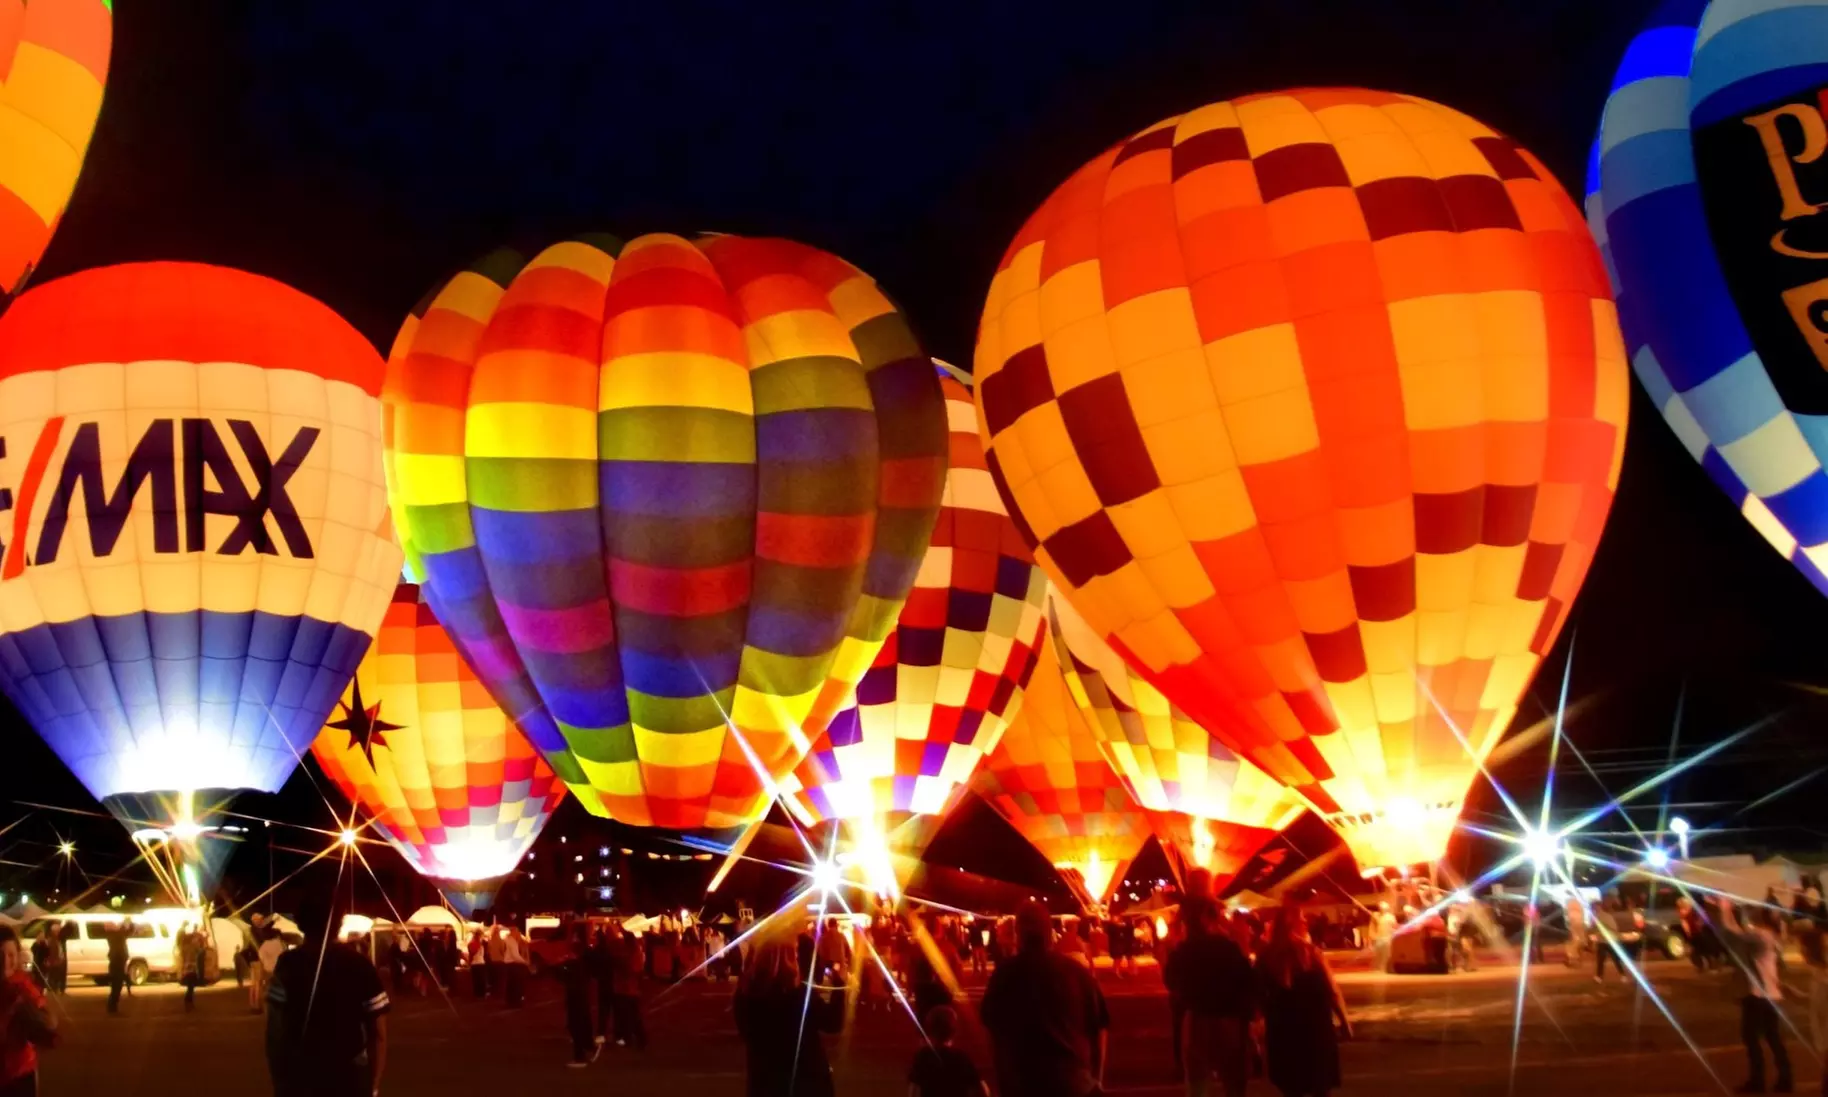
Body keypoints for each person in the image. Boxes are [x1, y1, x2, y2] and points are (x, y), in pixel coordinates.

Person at [266, 890, 390, 1097]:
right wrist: (373, 1085)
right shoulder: (360, 965)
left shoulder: (288, 964)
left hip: (299, 1077)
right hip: (347, 1078)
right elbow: (378, 1034)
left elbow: (274, 1029)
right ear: (338, 923)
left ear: (299, 922)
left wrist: (279, 1078)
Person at [981, 900, 1110, 1097]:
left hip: (1024, 1084)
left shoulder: (1004, 976)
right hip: (1073, 1084)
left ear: (1019, 934)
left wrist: (1004, 1079)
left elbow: (992, 1033)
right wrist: (1096, 1080)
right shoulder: (1077, 973)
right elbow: (1099, 1028)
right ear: (1050, 933)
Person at [1256, 906, 1350, 1097]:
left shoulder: (1266, 957)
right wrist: (1345, 1021)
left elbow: (1257, 994)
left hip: (1283, 1030)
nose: (1306, 922)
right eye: (1302, 918)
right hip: (1315, 1028)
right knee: (1320, 1086)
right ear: (1293, 924)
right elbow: (1331, 989)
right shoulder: (1311, 953)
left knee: (1292, 1087)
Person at [735, 930, 843, 1097]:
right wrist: (839, 987)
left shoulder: (745, 996)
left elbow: (745, 1032)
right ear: (788, 957)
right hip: (804, 1082)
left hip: (764, 1083)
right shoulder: (799, 996)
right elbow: (833, 1022)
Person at [1167, 898, 1254, 1097]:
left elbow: (1171, 982)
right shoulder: (1229, 947)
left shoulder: (1183, 950)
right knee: (1233, 1082)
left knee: (1198, 1083)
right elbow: (1248, 980)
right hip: (1229, 1020)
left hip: (1198, 1019)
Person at [1716, 900, 1792, 1093]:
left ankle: (1758, 1081)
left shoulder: (1761, 936)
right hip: (1771, 995)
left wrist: (1725, 908)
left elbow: (1733, 932)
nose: (1750, 914)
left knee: (1751, 1039)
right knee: (1773, 1038)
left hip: (1759, 995)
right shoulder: (1770, 935)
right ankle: (1785, 1079)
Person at [0, 926, 57, 1097]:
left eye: (11, 954)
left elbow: (48, 1022)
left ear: (17, 957)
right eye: (0, 954)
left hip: (21, 1072)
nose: (5, 961)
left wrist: (40, 1019)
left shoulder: (24, 988)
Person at [907, 1004, 987, 1097]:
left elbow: (914, 1088)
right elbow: (981, 1089)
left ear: (929, 1029)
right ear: (953, 1031)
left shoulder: (923, 1056)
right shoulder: (961, 1058)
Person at [559, 926, 599, 1068]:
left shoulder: (576, 963)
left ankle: (580, 1057)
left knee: (576, 1025)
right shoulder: (584, 959)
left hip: (576, 995)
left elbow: (563, 976)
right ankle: (589, 1047)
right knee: (582, 1022)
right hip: (580, 994)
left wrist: (564, 965)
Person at [608, 923, 647, 1049]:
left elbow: (628, 970)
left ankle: (633, 1038)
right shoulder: (636, 951)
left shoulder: (629, 954)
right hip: (630, 989)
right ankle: (633, 1038)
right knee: (631, 1016)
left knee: (629, 1016)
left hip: (626, 989)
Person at [255, 924, 286, 1016]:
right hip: (279, 971)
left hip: (268, 970)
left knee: (266, 990)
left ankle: (266, 1010)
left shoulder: (265, 945)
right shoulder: (282, 944)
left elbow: (261, 959)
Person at [104, 920, 130, 1015]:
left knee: (116, 986)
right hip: (117, 963)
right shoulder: (114, 936)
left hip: (117, 963)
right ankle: (112, 1007)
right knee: (116, 986)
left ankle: (113, 1007)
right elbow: (123, 932)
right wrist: (125, 923)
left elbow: (124, 932)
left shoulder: (114, 936)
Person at [177, 923, 203, 1012]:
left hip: (186, 970)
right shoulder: (192, 947)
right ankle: (188, 1002)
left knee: (190, 987)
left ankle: (189, 1003)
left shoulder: (184, 948)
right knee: (191, 987)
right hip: (191, 970)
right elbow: (200, 951)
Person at [501, 923, 527, 1008]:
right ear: (514, 931)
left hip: (509, 964)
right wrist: (524, 962)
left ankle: (511, 1001)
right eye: (517, 931)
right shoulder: (511, 941)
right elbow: (515, 955)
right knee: (516, 984)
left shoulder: (507, 939)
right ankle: (515, 1002)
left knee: (510, 984)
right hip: (513, 964)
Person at [1369, 902, 1396, 974]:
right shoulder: (1377, 916)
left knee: (1386, 954)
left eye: (1382, 908)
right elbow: (1373, 926)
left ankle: (1384, 968)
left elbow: (1394, 926)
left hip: (1387, 938)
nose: (1381, 909)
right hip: (1379, 938)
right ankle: (1378, 968)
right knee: (1378, 954)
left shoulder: (1390, 917)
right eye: (1380, 908)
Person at [466, 928, 489, 997]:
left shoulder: (471, 944)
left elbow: (471, 954)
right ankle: (481, 994)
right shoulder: (479, 944)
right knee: (481, 980)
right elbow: (473, 953)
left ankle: (477, 994)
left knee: (476, 980)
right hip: (480, 963)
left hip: (475, 963)